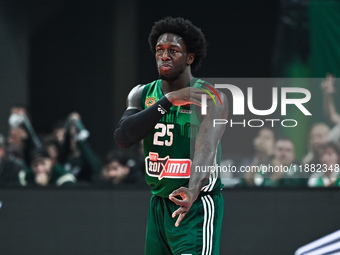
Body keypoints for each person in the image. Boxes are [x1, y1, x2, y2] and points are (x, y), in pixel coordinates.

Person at [114, 17, 227, 255]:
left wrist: (193, 189)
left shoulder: (210, 96)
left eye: (173, 50)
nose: (164, 55)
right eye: (159, 50)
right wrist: (168, 101)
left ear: (190, 58)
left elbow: (206, 147)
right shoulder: (141, 93)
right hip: (159, 203)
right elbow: (124, 137)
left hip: (195, 203)